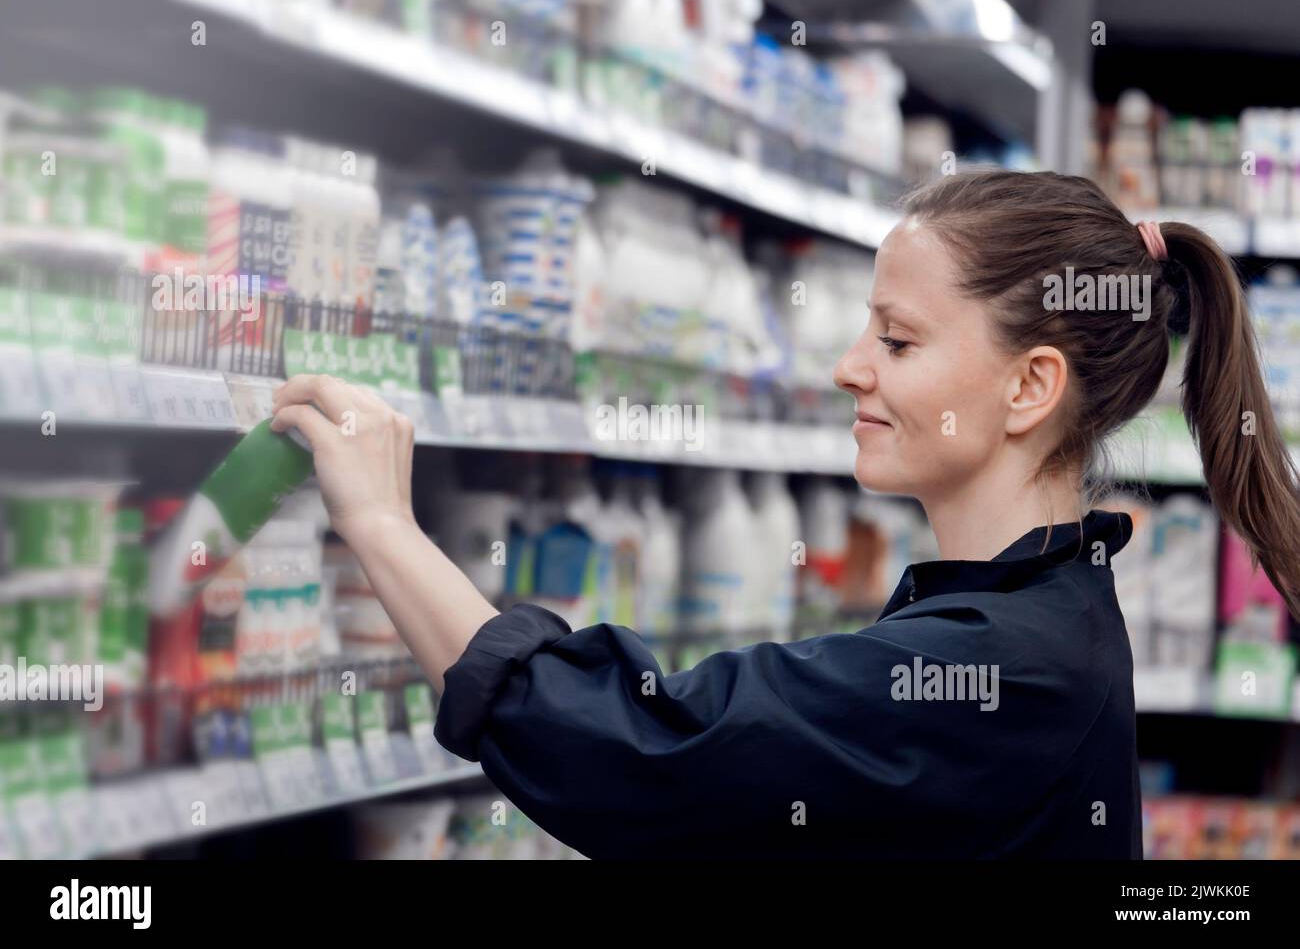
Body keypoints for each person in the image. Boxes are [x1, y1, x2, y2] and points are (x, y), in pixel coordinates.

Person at [269, 170, 1300, 859]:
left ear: (1029, 388)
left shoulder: (1003, 670)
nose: (849, 365)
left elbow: (634, 743)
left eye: (896, 340)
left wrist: (383, 525)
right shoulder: (1040, 607)